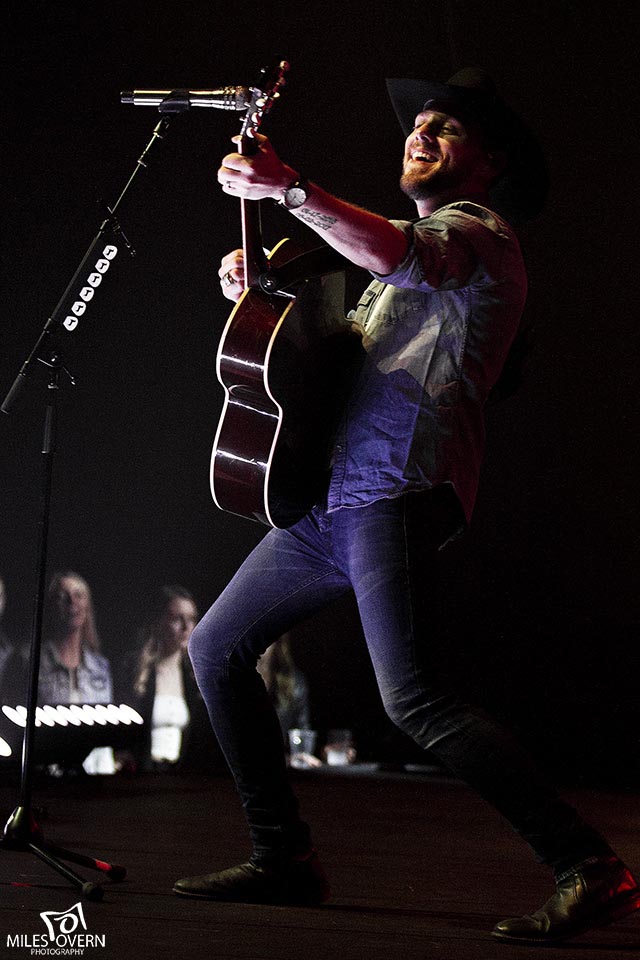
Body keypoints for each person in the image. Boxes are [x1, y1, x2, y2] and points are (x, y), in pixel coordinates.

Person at [173, 69, 640, 942]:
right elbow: (337, 347)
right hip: (331, 501)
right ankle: (284, 857)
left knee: (416, 700)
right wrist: (262, 289)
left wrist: (295, 191)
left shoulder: (480, 236)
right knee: (215, 649)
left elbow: (404, 254)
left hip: (396, 492)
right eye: (416, 124)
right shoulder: (394, 258)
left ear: (490, 163)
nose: (419, 134)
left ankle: (592, 868)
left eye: (445, 129)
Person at [123, 584, 205, 771]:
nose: (186, 627)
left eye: (191, 619)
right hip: (141, 774)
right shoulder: (134, 668)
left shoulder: (194, 675)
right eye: (177, 618)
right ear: (158, 621)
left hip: (181, 777)